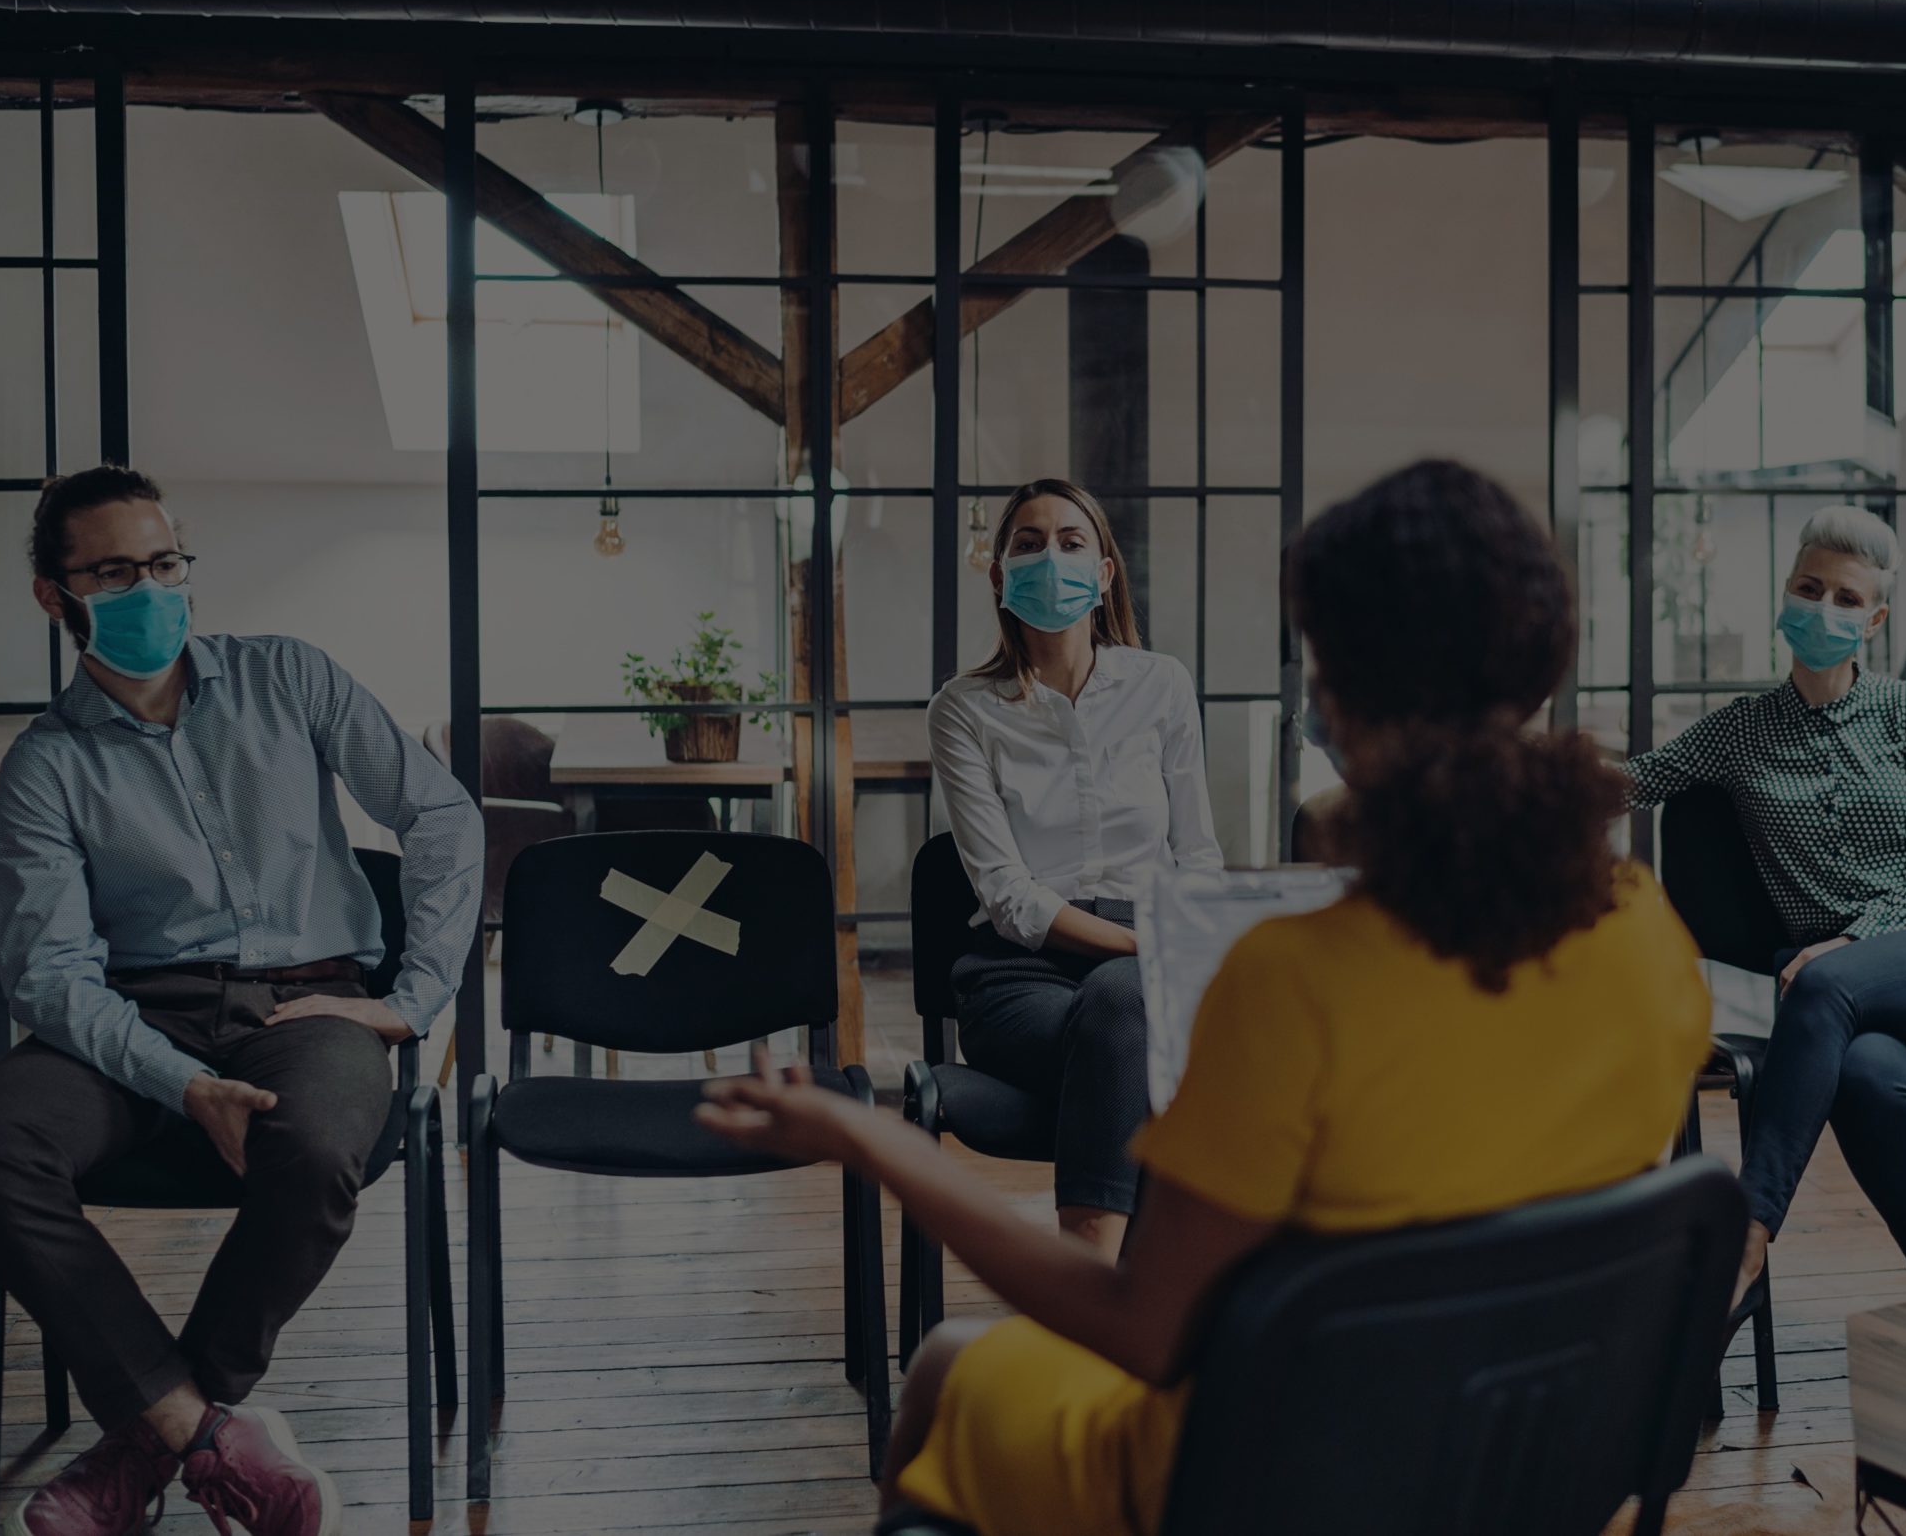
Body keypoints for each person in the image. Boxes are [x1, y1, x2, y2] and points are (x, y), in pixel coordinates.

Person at [705, 459, 1712, 1536]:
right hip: (1532, 1471)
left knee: (949, 1363)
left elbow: (1144, 1332)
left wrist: (875, 1141)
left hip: (1282, 1481)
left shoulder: (1291, 985)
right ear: (1537, 669)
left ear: (1337, 699)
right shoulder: (1647, 934)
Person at [0, 465, 484, 1536]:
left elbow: (444, 817)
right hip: (131, 1021)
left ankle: (148, 1441)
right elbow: (49, 974)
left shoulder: (292, 678)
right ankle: (206, 1434)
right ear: (55, 595)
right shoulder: (45, 765)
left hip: (312, 1003)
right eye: (115, 571)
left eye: (166, 563)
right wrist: (184, 1084)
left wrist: (413, 998)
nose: (151, 589)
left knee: (318, 1148)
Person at [1622, 504, 1906, 1312]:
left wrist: (1852, 938)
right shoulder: (1740, 731)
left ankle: (1746, 1236)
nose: (1824, 608)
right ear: (1785, 594)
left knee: (1820, 983)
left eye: (1846, 598)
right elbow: (1633, 781)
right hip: (1845, 1007)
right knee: (1870, 1077)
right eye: (1810, 587)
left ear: (1872, 619)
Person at [925, 478, 1221, 1257]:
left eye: (1070, 540)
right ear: (998, 575)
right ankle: (1115, 1281)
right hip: (1019, 974)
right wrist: (1147, 951)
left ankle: (1098, 1288)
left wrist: (1186, 950)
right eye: (1027, 542)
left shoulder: (1162, 685)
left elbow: (1198, 854)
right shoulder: (963, 708)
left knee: (1125, 1017)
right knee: (1135, 1023)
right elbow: (1009, 896)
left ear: (1104, 572)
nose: (1049, 556)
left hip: (1145, 965)